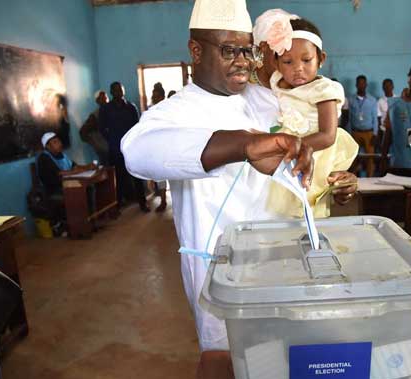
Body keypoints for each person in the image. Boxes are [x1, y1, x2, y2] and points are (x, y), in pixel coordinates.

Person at [122, 2, 355, 351]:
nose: (243, 61)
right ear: (196, 51)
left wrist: (332, 182)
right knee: (233, 364)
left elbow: (302, 159)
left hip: (285, 259)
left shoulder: (269, 101)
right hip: (224, 274)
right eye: (230, 50)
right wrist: (244, 144)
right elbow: (137, 152)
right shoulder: (175, 111)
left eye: (247, 50)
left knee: (285, 360)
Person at [263, 16, 358, 217]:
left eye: (306, 60)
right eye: (288, 61)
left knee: (309, 207)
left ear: (321, 59)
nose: (298, 68)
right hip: (286, 158)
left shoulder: (323, 90)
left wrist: (286, 146)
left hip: (314, 154)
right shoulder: (277, 83)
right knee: (281, 211)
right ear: (276, 63)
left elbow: (327, 135)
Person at [100, 81, 149, 212]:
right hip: (115, 149)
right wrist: (111, 139)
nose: (118, 93)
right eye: (115, 90)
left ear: (124, 91)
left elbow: (137, 126)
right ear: (111, 92)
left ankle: (143, 203)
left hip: (131, 148)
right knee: (118, 177)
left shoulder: (131, 107)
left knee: (137, 176)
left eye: (120, 90)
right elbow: (102, 128)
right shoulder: (106, 109)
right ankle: (118, 205)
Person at [36, 132, 96, 232]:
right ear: (47, 146)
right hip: (55, 190)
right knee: (78, 193)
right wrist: (81, 171)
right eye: (55, 142)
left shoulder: (61, 155)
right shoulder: (44, 158)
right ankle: (80, 225)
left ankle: (90, 220)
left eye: (59, 141)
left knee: (89, 188)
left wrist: (88, 167)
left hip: (69, 185)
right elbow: (61, 174)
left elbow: (74, 166)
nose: (59, 144)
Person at [348, 75, 379, 176]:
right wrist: (349, 134)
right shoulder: (351, 100)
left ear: (366, 85)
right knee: (353, 156)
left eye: (363, 83)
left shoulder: (372, 100)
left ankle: (370, 178)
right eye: (359, 83)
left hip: (369, 133)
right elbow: (349, 118)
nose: (361, 85)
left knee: (370, 157)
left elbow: (375, 118)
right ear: (356, 85)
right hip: (355, 132)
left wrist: (375, 134)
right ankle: (354, 177)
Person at [150, 83, 169, 212]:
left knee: (174, 175)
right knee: (160, 175)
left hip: (169, 145)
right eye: (154, 97)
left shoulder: (169, 109)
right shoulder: (151, 111)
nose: (155, 99)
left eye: (158, 96)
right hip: (157, 146)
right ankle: (163, 201)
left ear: (163, 97)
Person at [79, 90, 109, 163]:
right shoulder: (95, 115)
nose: (105, 100)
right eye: (101, 98)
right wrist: (95, 144)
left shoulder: (112, 111)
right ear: (97, 101)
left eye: (106, 97)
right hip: (105, 151)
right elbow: (82, 132)